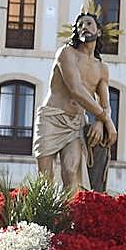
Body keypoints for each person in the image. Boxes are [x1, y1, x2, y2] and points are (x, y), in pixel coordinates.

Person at [34, 11, 117, 190]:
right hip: (51, 117)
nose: (84, 27)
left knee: (71, 172)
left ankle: (69, 217)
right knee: (45, 179)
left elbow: (105, 104)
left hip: (75, 124)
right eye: (80, 25)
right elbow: (76, 89)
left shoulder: (102, 68)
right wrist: (106, 120)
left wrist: (100, 123)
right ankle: (45, 218)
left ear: (99, 32)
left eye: (88, 24)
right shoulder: (66, 53)